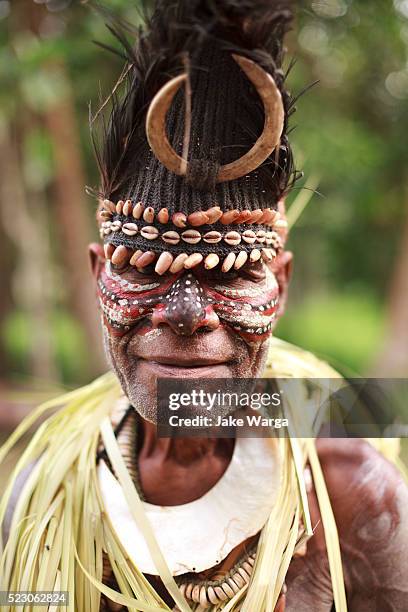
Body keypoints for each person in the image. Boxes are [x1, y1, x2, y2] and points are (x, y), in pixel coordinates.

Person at [1, 1, 407, 610]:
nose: (189, 315)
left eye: (232, 273)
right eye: (143, 267)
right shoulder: (43, 502)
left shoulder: (353, 500)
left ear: (282, 287)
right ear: (94, 275)